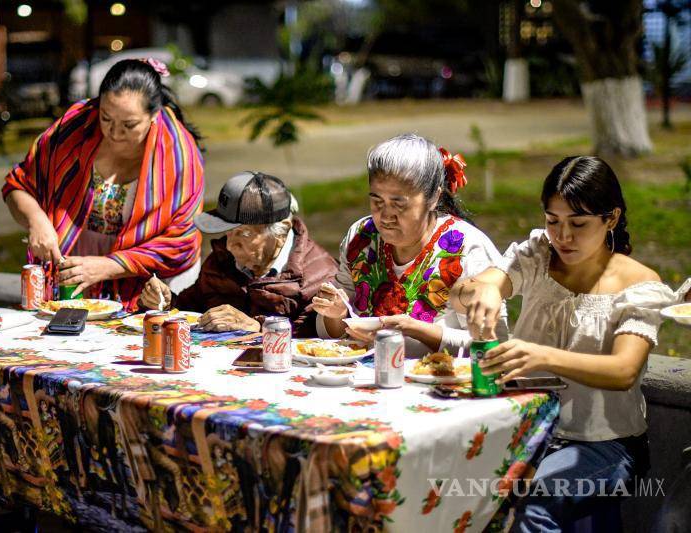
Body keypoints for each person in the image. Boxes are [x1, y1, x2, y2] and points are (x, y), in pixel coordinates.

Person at [450, 156, 677, 532]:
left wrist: (542, 356)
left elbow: (623, 371)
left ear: (611, 218)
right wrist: (482, 290)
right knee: (450, 484)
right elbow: (463, 292)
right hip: (528, 430)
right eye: (552, 221)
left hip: (604, 444)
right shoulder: (539, 256)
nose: (563, 236)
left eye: (578, 223)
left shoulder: (639, 284)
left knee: (533, 503)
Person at [2, 58, 204, 311]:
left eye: (129, 125)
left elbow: (181, 240)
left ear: (154, 114)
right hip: (72, 278)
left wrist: (108, 266)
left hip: (151, 286)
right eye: (106, 118)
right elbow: (18, 185)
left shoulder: (178, 156)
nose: (115, 133)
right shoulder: (74, 129)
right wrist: (36, 221)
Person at [311, 133, 507, 355]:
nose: (386, 216)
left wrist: (415, 329)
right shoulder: (362, 237)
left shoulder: (467, 248)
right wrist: (335, 314)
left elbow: (493, 345)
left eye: (399, 204)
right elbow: (331, 333)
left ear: (434, 198)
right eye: (377, 201)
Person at [141, 171, 338, 336]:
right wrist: (166, 302)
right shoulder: (222, 259)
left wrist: (258, 327)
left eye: (244, 233)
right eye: (227, 232)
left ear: (282, 231)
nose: (230, 245)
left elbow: (316, 339)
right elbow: (191, 308)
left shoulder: (318, 276)